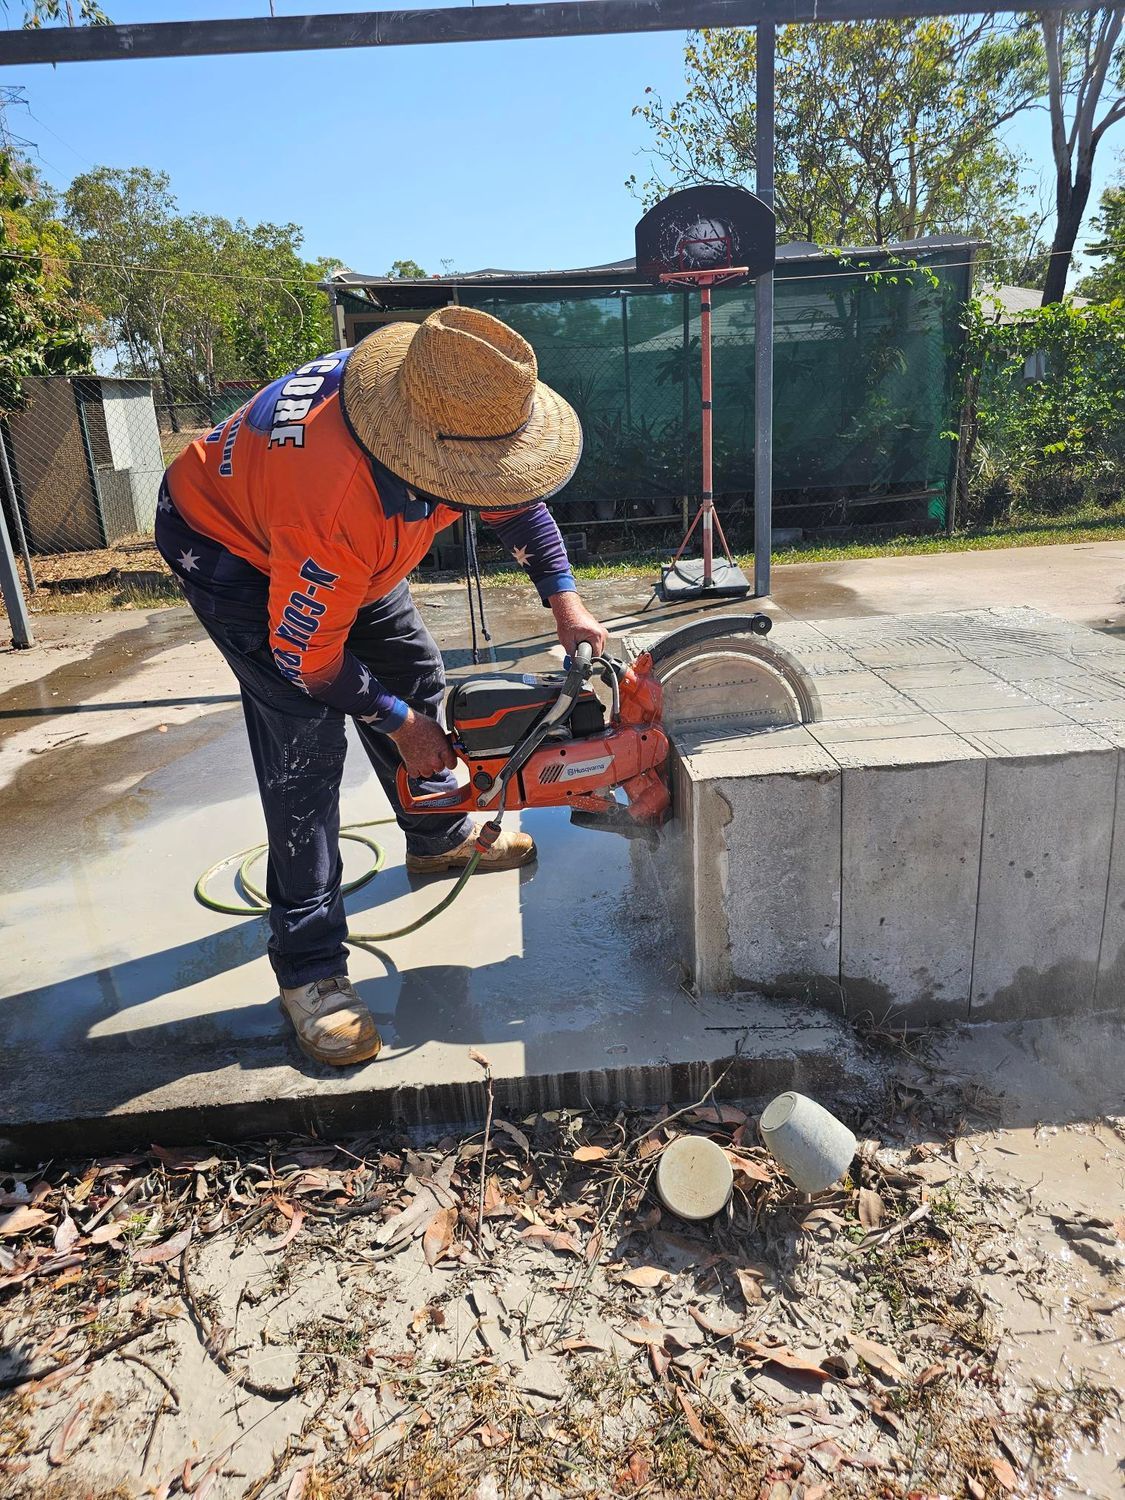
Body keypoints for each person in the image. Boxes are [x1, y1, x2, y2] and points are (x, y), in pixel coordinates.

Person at [156, 306, 606, 1067]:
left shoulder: (430, 400)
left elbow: (509, 493)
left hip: (319, 533)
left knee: (417, 675)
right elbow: (309, 657)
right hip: (230, 547)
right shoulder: (336, 508)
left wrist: (565, 597)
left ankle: (435, 838)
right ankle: (309, 972)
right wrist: (398, 723)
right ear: (422, 457)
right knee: (305, 752)